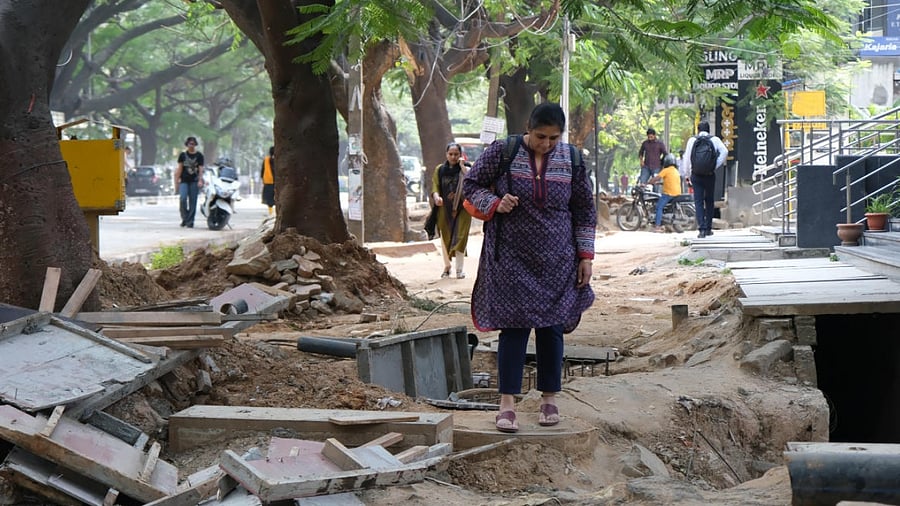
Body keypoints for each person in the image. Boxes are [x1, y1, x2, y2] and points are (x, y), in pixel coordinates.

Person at [463, 103, 596, 433]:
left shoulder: (573, 160)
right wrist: (495, 203)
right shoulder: (503, 151)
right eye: (540, 136)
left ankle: (549, 398)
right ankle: (507, 403)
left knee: (551, 328)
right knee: (514, 327)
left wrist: (585, 256)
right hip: (510, 258)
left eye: (554, 138)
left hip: (558, 259)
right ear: (528, 128)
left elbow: (584, 209)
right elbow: (471, 186)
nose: (547, 144)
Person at [431, 142, 473, 279]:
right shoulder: (440, 169)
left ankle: (459, 270)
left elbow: (472, 180)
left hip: (463, 209)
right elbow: (435, 186)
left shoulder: (466, 168)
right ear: (446, 154)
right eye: (451, 154)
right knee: (446, 239)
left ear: (461, 155)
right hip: (444, 210)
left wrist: (462, 167)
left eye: (456, 154)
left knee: (460, 237)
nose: (453, 157)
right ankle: (447, 267)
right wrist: (437, 197)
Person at [682, 120, 728, 238]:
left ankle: (701, 229)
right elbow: (725, 151)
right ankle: (708, 228)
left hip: (696, 175)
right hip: (709, 174)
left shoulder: (692, 140)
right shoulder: (714, 140)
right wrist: (715, 165)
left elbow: (687, 159)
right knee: (709, 200)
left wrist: (687, 175)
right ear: (708, 130)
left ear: (698, 129)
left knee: (698, 201)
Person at [175, 136, 204, 228]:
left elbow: (201, 169)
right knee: (183, 199)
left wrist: (200, 180)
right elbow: (179, 168)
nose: (191, 145)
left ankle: (190, 221)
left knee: (193, 201)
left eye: (193, 143)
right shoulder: (182, 155)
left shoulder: (199, 156)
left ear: (195, 144)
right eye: (189, 143)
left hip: (194, 181)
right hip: (184, 180)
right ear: (187, 144)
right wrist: (177, 180)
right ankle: (185, 218)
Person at [648, 153, 682, 232]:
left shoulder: (666, 170)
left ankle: (657, 226)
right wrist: (659, 183)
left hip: (669, 194)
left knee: (659, 207)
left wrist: (649, 182)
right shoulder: (676, 171)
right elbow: (670, 181)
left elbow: (657, 177)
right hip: (677, 193)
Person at [261, 146, 276, 215]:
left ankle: (271, 212)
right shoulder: (267, 160)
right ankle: (271, 212)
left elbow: (262, 170)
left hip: (269, 182)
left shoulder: (266, 160)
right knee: (271, 198)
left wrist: (263, 179)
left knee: (270, 197)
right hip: (271, 181)